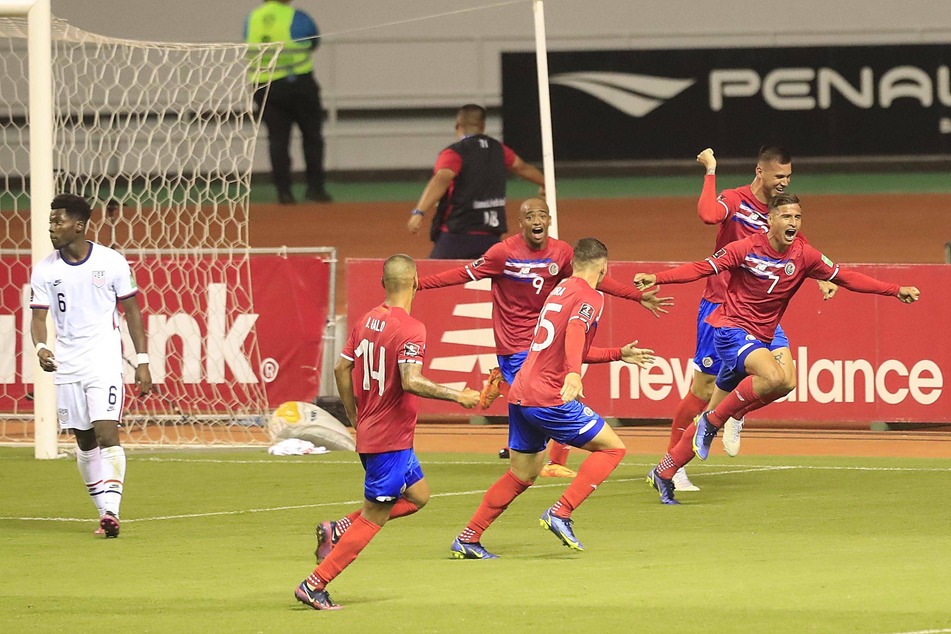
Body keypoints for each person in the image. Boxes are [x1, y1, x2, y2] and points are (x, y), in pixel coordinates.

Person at [635, 193, 920, 504]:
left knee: (787, 382)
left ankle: (664, 470)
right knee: (770, 376)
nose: (793, 223)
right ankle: (715, 421)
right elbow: (701, 269)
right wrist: (657, 277)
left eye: (797, 218)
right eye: (786, 217)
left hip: (767, 334)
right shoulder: (745, 249)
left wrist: (895, 290)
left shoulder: (805, 255)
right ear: (769, 220)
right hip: (732, 330)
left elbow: (846, 277)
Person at [416, 197, 672, 478]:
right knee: (556, 394)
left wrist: (636, 296)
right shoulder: (502, 253)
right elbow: (461, 274)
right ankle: (546, 449)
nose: (537, 221)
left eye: (542, 215)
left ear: (549, 220)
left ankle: (547, 453)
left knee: (555, 395)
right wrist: (418, 284)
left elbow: (596, 279)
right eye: (530, 216)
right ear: (521, 222)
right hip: (513, 342)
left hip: (544, 338)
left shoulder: (561, 253)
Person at [449, 238, 656, 559]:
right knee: (613, 448)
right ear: (603, 267)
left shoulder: (558, 291)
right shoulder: (591, 297)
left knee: (521, 474)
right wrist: (573, 373)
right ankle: (561, 512)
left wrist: (619, 353)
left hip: (521, 393)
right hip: (548, 395)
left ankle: (468, 536)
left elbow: (576, 345)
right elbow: (575, 331)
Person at [295, 254, 480, 610]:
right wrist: (460, 395)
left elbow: (340, 367)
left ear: (384, 283)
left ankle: (337, 529)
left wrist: (355, 415)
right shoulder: (412, 328)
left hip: (380, 435)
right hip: (388, 441)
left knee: (418, 496)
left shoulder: (367, 320)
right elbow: (411, 380)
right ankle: (314, 584)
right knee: (373, 518)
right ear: (416, 280)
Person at [666, 146, 837, 493]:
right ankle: (673, 462)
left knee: (782, 378)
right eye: (779, 177)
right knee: (702, 389)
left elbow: (801, 245)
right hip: (719, 306)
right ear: (760, 172)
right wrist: (710, 171)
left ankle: (736, 414)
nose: (784, 183)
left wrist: (823, 276)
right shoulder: (735, 199)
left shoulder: (780, 212)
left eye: (789, 177)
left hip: (759, 308)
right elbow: (707, 214)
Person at [30, 194, 152, 537]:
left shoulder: (112, 262)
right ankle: (104, 512)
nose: (52, 228)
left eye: (59, 221)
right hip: (67, 364)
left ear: (80, 225)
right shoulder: (45, 269)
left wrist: (142, 361)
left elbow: (132, 312)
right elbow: (38, 318)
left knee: (106, 433)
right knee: (84, 442)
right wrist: (41, 347)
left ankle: (112, 509)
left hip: (104, 360)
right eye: (51, 221)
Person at [407, 104, 545, 259]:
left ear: (457, 126)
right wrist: (544, 183)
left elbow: (441, 179)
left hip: (456, 235)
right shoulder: (499, 149)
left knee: (434, 278)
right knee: (491, 279)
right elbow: (522, 168)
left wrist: (419, 211)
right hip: (490, 235)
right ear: (483, 126)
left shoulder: (454, 153)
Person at [245, 0, 331, 205]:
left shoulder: (252, 19)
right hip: (299, 84)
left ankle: (284, 192)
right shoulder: (297, 17)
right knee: (312, 137)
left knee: (278, 140)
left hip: (265, 86)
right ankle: (315, 188)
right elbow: (313, 42)